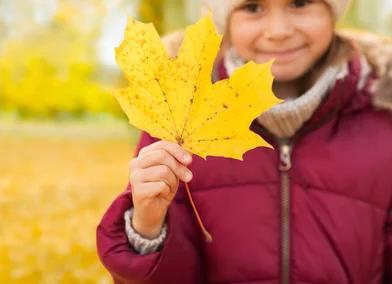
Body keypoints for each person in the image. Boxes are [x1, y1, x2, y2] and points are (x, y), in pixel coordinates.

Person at [96, 0, 392, 283]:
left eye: (300, 3)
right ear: (226, 20)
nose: (278, 30)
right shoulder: (179, 113)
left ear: (333, 11)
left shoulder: (384, 118)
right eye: (252, 7)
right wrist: (148, 227)